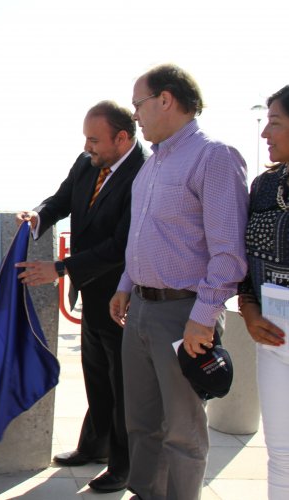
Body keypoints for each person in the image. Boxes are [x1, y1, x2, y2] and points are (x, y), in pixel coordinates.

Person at [109, 64, 248, 500]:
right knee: (142, 422)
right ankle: (145, 493)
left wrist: (202, 319)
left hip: (184, 315)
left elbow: (228, 253)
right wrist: (126, 284)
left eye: (139, 104)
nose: (135, 115)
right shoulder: (150, 168)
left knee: (183, 431)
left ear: (166, 100)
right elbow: (142, 236)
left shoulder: (214, 157)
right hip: (141, 312)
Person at [15, 101, 147, 493]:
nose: (88, 146)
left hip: (123, 297)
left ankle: (122, 466)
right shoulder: (86, 163)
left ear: (122, 138)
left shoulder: (143, 172)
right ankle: (94, 445)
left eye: (94, 139)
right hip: (90, 293)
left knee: (122, 383)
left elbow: (121, 245)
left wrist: (60, 268)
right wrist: (37, 217)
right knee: (96, 375)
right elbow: (60, 201)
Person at [238, 85, 289, 499]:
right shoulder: (264, 186)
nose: (264, 133)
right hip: (272, 338)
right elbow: (243, 258)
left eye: (275, 122)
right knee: (281, 455)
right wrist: (249, 308)